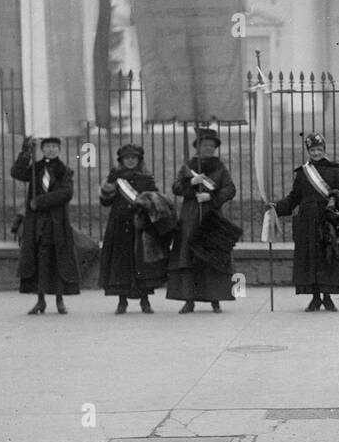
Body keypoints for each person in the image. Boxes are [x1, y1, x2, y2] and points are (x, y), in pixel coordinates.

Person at [273, 132, 339, 312]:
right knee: (311, 259)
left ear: (324, 150)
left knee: (328, 256)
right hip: (307, 221)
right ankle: (315, 298)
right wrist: (276, 208)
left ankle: (328, 297)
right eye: (312, 150)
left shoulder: (334, 170)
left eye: (319, 149)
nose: (316, 153)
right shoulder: (303, 173)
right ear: (308, 152)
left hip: (328, 220)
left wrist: (335, 196)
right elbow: (294, 198)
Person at [168, 128, 236, 313]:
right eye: (205, 145)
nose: (208, 148)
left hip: (211, 216)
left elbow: (230, 189)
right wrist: (191, 182)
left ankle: (215, 299)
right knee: (189, 258)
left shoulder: (220, 168)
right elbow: (175, 187)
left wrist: (211, 198)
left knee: (211, 257)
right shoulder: (187, 167)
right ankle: (189, 300)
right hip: (190, 216)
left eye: (212, 146)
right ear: (197, 146)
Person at [12, 136, 79, 314]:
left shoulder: (65, 170)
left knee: (58, 260)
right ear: (42, 149)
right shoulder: (35, 168)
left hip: (56, 222)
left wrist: (40, 201)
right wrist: (25, 152)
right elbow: (17, 173)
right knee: (39, 260)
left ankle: (59, 299)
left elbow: (66, 193)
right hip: (36, 223)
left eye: (54, 147)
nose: (51, 150)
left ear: (59, 149)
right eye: (48, 147)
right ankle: (40, 299)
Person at [99, 144, 164, 314]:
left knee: (141, 263)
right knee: (121, 264)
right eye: (127, 158)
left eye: (133, 158)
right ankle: (122, 301)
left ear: (139, 160)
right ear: (121, 160)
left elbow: (155, 200)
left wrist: (146, 204)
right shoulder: (115, 177)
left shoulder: (147, 178)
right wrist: (107, 189)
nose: (130, 160)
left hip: (141, 225)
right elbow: (105, 202)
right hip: (120, 226)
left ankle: (145, 300)